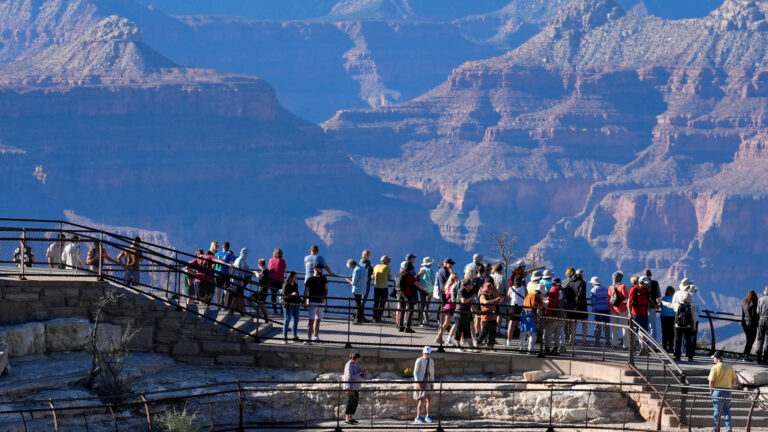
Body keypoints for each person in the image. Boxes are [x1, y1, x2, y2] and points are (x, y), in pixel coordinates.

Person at [708, 351, 736, 432]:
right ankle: (729, 428)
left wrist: (711, 392)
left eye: (714, 358)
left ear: (716, 359)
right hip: (727, 391)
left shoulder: (715, 367)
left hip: (717, 391)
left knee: (717, 411)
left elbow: (711, 382)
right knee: (727, 410)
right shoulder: (729, 367)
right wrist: (731, 388)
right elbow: (734, 380)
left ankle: (716, 429)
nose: (713, 359)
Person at [303, 263, 328, 344]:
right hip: (312, 301)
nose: (320, 270)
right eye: (319, 268)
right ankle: (309, 339)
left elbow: (326, 289)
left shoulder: (323, 278)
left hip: (321, 302)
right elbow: (306, 291)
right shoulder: (310, 279)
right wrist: (306, 301)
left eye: (321, 268)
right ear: (315, 269)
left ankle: (315, 337)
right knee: (311, 320)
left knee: (318, 320)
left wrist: (324, 298)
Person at [395, 261, 421, 333]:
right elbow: (417, 284)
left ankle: (400, 326)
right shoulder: (409, 276)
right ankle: (408, 327)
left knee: (402, 309)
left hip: (399, 293)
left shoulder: (399, 274)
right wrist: (427, 292)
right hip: (407, 294)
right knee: (410, 309)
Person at [564, 268, 588, 344]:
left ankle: (571, 340)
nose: (584, 276)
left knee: (573, 323)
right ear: (581, 275)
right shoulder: (582, 283)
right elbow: (581, 294)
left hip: (571, 306)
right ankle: (584, 341)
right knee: (584, 323)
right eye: (583, 275)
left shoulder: (570, 282)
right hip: (581, 306)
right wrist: (577, 303)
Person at [413, 346, 435, 424]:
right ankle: (418, 417)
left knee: (429, 399)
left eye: (428, 354)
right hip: (421, 382)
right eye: (425, 353)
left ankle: (427, 416)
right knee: (421, 400)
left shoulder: (431, 361)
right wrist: (417, 382)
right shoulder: (419, 360)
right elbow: (415, 372)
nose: (426, 355)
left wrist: (432, 383)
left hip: (428, 381)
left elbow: (432, 372)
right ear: (423, 353)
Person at [343, 351, 366, 425]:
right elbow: (349, 376)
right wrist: (359, 374)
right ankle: (347, 419)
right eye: (358, 359)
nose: (359, 360)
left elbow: (358, 374)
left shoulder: (356, 364)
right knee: (350, 402)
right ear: (354, 358)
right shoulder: (349, 365)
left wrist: (363, 373)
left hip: (356, 386)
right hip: (350, 386)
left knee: (355, 402)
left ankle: (351, 417)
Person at [545, 274, 566, 354]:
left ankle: (547, 347)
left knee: (547, 333)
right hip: (561, 315)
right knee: (557, 333)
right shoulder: (561, 293)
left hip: (553, 317)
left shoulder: (552, 297)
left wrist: (549, 317)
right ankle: (556, 348)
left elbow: (551, 308)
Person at [673, 288, 696, 362]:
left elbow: (669, 305)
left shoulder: (677, 305)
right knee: (688, 341)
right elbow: (693, 318)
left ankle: (677, 356)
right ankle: (690, 357)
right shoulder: (690, 307)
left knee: (678, 340)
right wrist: (694, 326)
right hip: (688, 326)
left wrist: (662, 302)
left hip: (678, 326)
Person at [479, 276, 502, 348]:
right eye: (491, 289)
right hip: (486, 317)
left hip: (492, 316)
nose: (492, 290)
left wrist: (498, 300)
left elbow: (495, 302)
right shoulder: (483, 295)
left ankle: (490, 345)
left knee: (493, 331)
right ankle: (477, 343)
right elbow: (485, 302)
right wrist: (495, 300)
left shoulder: (490, 295)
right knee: (484, 332)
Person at [520, 284, 544, 352]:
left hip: (524, 313)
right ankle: (531, 348)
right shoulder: (539, 299)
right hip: (532, 315)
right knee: (532, 333)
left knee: (523, 331)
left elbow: (524, 303)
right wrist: (538, 321)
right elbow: (539, 311)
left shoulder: (529, 295)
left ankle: (521, 347)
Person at [608, 271, 629, 349]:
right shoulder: (623, 286)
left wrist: (610, 308)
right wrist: (627, 308)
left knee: (614, 328)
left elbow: (609, 299)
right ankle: (626, 346)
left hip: (613, 309)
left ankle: (614, 344)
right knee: (625, 328)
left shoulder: (610, 287)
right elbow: (627, 298)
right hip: (622, 310)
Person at [436, 272, 458, 345]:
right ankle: (439, 337)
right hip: (450, 306)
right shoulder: (452, 287)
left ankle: (439, 337)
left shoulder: (448, 286)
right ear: (453, 279)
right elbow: (449, 296)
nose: (457, 279)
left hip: (449, 306)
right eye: (456, 278)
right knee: (447, 323)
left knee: (447, 323)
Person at [455, 279, 478, 352]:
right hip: (460, 313)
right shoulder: (461, 291)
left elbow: (472, 302)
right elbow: (463, 301)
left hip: (467, 313)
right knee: (458, 330)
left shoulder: (470, 292)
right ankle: (458, 346)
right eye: (471, 284)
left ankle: (471, 347)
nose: (472, 286)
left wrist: (476, 311)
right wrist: (471, 297)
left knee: (467, 330)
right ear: (467, 285)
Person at [227, 248, 250, 315]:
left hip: (235, 282)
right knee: (239, 297)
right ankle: (241, 311)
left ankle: (233, 311)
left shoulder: (238, 260)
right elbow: (240, 274)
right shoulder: (240, 261)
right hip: (238, 283)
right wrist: (240, 284)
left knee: (236, 297)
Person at [346, 259, 369, 324]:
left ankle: (358, 319)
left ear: (352, 265)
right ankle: (360, 318)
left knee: (357, 304)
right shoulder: (363, 269)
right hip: (362, 288)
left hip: (356, 289)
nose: (351, 268)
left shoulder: (356, 270)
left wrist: (348, 281)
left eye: (350, 267)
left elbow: (353, 283)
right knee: (359, 303)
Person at [590, 276, 611, 347]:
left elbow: (593, 301)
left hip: (598, 310)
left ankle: (597, 341)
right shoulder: (606, 289)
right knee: (606, 326)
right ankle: (607, 342)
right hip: (606, 309)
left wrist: (593, 310)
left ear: (593, 283)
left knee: (597, 326)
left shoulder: (593, 290)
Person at [281, 271, 302, 343]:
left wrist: (302, 301)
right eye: (295, 277)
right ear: (291, 277)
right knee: (287, 321)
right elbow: (284, 296)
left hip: (296, 305)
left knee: (296, 320)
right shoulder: (286, 285)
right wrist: (291, 295)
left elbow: (297, 294)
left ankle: (294, 337)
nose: (296, 278)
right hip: (288, 305)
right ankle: (284, 337)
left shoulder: (295, 284)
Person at [213, 242, 236, 307]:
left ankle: (218, 305)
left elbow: (213, 264)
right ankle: (225, 306)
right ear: (228, 247)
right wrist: (230, 274)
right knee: (226, 291)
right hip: (225, 274)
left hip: (217, 273)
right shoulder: (229, 255)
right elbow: (231, 265)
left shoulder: (217, 254)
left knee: (218, 291)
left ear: (222, 246)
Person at [507, 276, 526, 348]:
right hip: (521, 307)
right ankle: (522, 341)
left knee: (511, 324)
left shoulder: (511, 288)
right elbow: (526, 297)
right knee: (522, 324)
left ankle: (509, 340)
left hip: (513, 306)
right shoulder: (524, 288)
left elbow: (508, 298)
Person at [371, 255, 392, 322]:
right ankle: (379, 317)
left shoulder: (376, 266)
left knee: (376, 303)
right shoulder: (388, 267)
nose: (389, 262)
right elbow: (389, 278)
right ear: (386, 261)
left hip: (376, 287)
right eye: (389, 260)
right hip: (384, 287)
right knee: (382, 303)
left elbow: (372, 277)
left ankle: (374, 317)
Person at [417, 257, 436, 327]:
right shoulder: (430, 271)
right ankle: (426, 321)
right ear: (430, 264)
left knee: (422, 305)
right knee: (427, 306)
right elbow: (433, 281)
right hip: (429, 291)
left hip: (421, 289)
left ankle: (420, 321)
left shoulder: (421, 270)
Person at [268, 248, 287, 314]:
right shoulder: (282, 261)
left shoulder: (271, 260)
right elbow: (285, 270)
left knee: (273, 295)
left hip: (272, 280)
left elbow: (270, 268)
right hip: (280, 281)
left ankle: (275, 309)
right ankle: (282, 310)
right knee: (281, 296)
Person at [742, 290, 759, 361]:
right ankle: (746, 355)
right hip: (752, 325)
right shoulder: (753, 304)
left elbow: (743, 315)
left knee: (748, 340)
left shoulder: (744, 303)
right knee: (751, 340)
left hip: (745, 324)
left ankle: (745, 355)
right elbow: (753, 315)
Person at [645, 269, 662, 341]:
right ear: (651, 275)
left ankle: (643, 343)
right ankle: (652, 344)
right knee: (652, 326)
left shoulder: (641, 283)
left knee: (644, 325)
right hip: (651, 307)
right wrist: (657, 304)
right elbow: (658, 295)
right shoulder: (655, 283)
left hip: (642, 307)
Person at [660, 286, 676, 353]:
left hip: (663, 316)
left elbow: (661, 306)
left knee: (664, 332)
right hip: (671, 317)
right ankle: (671, 347)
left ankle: (664, 347)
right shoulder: (673, 299)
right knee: (671, 333)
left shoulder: (663, 298)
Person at [359, 250, 374, 319]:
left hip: (360, 282)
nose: (370, 256)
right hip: (366, 282)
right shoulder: (368, 262)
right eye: (369, 254)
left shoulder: (360, 262)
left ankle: (357, 314)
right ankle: (361, 315)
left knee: (359, 299)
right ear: (367, 255)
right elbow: (368, 272)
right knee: (363, 299)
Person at [755, 286, 768, 364]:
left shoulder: (761, 299)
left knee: (760, 338)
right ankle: (765, 359)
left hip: (762, 320)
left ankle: (758, 358)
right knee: (767, 340)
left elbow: (758, 312)